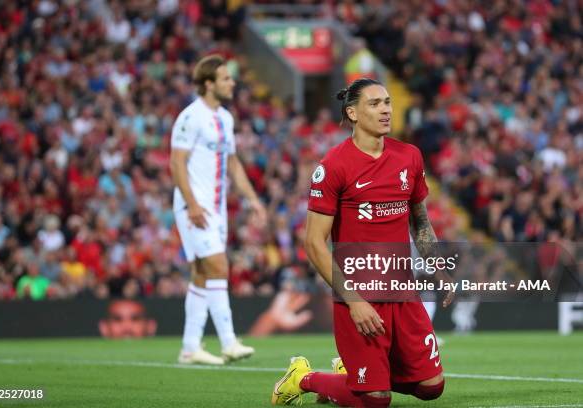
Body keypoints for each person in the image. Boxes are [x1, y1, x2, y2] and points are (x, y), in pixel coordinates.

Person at [271, 79, 451, 407]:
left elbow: (420, 222)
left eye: (387, 102)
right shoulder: (333, 166)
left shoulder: (409, 156)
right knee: (375, 401)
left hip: (403, 291)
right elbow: (313, 243)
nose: (385, 109)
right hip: (359, 293)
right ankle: (302, 378)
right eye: (375, 103)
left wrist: (438, 269)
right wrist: (354, 302)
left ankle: (351, 377)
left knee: (431, 387)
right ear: (352, 113)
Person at [171, 55, 267, 365]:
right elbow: (176, 163)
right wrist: (192, 203)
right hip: (194, 204)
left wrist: (252, 199)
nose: (232, 83)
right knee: (217, 266)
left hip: (217, 207)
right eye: (226, 79)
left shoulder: (225, 118)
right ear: (209, 84)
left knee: (201, 273)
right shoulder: (190, 117)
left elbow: (234, 164)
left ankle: (190, 347)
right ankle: (228, 341)